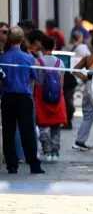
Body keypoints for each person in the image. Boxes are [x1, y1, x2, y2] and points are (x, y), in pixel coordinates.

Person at [0, 27, 44, 174]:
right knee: (28, 131)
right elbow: (36, 78)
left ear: (9, 39)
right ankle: (34, 165)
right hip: (24, 97)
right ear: (22, 39)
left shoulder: (3, 58)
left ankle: (12, 165)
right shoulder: (28, 58)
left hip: (7, 97)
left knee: (8, 132)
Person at [34, 36, 67, 162]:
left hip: (41, 98)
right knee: (56, 126)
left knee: (43, 126)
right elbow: (61, 83)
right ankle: (55, 151)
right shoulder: (60, 62)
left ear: (42, 46)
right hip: (57, 98)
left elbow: (35, 81)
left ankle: (46, 151)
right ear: (54, 47)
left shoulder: (38, 62)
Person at [72, 33, 93, 151]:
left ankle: (80, 141)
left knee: (88, 116)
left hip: (88, 85)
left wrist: (85, 78)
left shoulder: (88, 58)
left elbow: (74, 70)